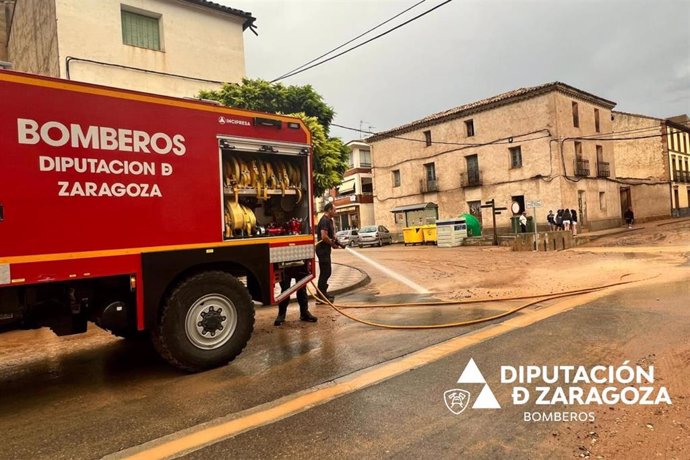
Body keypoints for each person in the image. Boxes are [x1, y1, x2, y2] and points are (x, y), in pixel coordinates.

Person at [315, 203, 342, 303]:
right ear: (329, 210)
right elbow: (324, 236)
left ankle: (323, 293)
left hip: (325, 250)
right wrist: (332, 244)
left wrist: (337, 241)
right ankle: (320, 296)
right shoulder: (324, 220)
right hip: (322, 250)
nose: (336, 212)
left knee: (327, 272)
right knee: (325, 272)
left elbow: (331, 235)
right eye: (334, 210)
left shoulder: (329, 220)